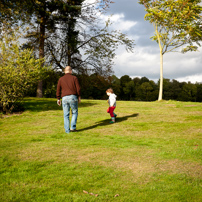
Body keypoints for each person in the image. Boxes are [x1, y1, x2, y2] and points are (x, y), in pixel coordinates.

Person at [56, 66, 81, 133]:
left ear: (64, 71)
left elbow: (58, 89)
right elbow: (78, 89)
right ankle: (72, 127)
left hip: (64, 98)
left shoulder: (61, 79)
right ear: (71, 71)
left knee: (66, 114)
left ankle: (67, 130)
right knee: (74, 112)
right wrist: (79, 96)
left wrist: (58, 98)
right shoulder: (74, 78)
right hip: (73, 97)